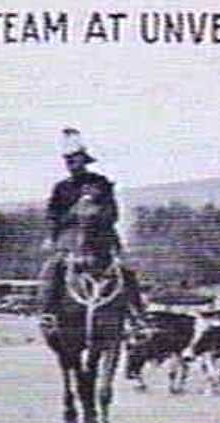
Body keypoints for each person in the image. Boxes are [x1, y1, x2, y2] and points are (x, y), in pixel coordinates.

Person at [38, 128, 143, 330]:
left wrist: (95, 214)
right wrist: (73, 214)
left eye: (74, 161)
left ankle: (136, 315)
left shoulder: (101, 183)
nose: (71, 165)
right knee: (52, 269)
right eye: (68, 162)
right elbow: (52, 216)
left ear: (84, 161)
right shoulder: (61, 188)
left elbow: (113, 214)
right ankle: (48, 312)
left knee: (126, 270)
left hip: (101, 237)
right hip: (68, 240)